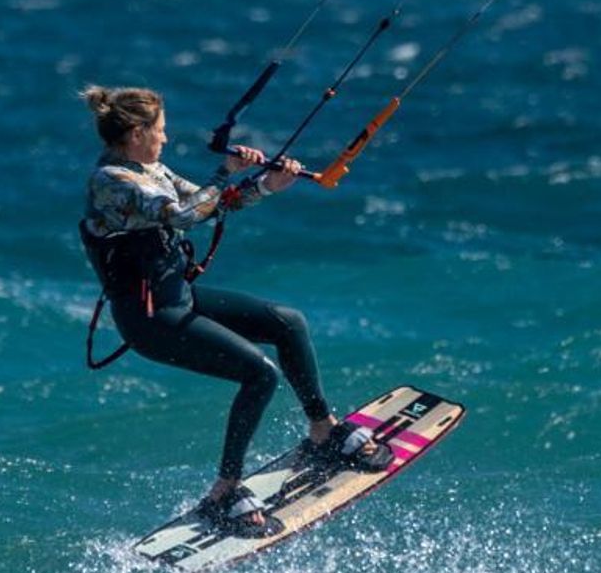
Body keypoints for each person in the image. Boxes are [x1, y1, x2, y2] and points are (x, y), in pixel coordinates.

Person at [78, 85, 381, 536]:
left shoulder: (150, 168)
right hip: (151, 320)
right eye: (159, 130)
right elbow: (182, 215)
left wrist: (263, 184)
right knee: (259, 374)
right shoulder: (113, 183)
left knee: (287, 323)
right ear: (136, 132)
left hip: (179, 296)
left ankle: (323, 432)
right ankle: (225, 491)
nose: (165, 138)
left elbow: (211, 205)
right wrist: (225, 170)